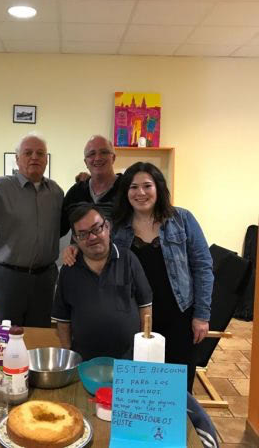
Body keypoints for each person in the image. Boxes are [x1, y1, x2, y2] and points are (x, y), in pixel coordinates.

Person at [63, 162, 213, 391]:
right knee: (140, 385)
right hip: (133, 315)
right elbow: (92, 239)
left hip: (178, 314)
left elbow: (203, 267)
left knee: (177, 387)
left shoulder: (182, 219)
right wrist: (74, 247)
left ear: (158, 188)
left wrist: (202, 315)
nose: (140, 193)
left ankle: (176, 426)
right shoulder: (117, 223)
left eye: (147, 186)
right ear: (126, 192)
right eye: (133, 187)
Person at [52, 204, 152, 361]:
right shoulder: (69, 269)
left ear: (108, 227)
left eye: (96, 229)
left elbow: (145, 307)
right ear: (76, 239)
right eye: (83, 234)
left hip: (128, 361)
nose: (91, 237)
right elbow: (63, 320)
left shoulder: (128, 259)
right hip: (83, 362)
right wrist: (68, 356)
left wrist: (144, 350)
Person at [0, 133, 64, 327]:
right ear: (17, 158)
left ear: (46, 159)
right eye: (28, 153)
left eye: (40, 153)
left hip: (45, 279)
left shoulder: (56, 192)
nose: (34, 157)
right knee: (5, 339)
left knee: (38, 336)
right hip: (7, 278)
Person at [60, 135, 121, 236]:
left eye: (104, 152)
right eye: (91, 154)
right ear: (86, 162)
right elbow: (59, 229)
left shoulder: (128, 189)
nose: (97, 158)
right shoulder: (75, 192)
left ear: (113, 158)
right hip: (80, 252)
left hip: (119, 252)